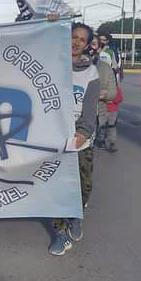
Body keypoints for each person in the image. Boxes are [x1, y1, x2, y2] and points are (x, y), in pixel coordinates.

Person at [49, 22, 100, 256]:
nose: (76, 42)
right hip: (55, 137)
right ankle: (60, 233)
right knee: (56, 187)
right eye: (73, 37)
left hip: (81, 139)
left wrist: (83, 132)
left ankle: (76, 215)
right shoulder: (51, 63)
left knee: (83, 186)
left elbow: (90, 109)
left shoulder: (91, 73)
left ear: (87, 45)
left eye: (82, 39)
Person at [90, 37, 118, 151]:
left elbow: (112, 93)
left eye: (93, 44)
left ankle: (108, 141)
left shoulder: (105, 67)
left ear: (99, 48)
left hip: (99, 109)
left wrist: (103, 95)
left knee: (109, 123)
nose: (89, 47)